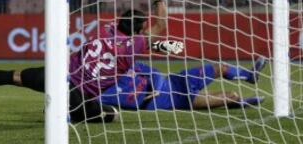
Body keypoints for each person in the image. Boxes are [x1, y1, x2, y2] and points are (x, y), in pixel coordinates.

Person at [0, 0, 183, 123]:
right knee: (110, 115)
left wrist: (162, 45)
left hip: (57, 76)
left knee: (13, 76)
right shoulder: (135, 44)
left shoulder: (106, 28)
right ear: (140, 30)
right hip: (78, 95)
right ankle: (63, 112)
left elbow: (134, 35)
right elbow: (161, 25)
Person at [100, 57, 267, 110]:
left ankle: (249, 75)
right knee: (230, 96)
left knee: (220, 68)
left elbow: (154, 72)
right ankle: (237, 102)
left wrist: (156, 86)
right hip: (178, 100)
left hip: (177, 80)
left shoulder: (127, 65)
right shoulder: (104, 92)